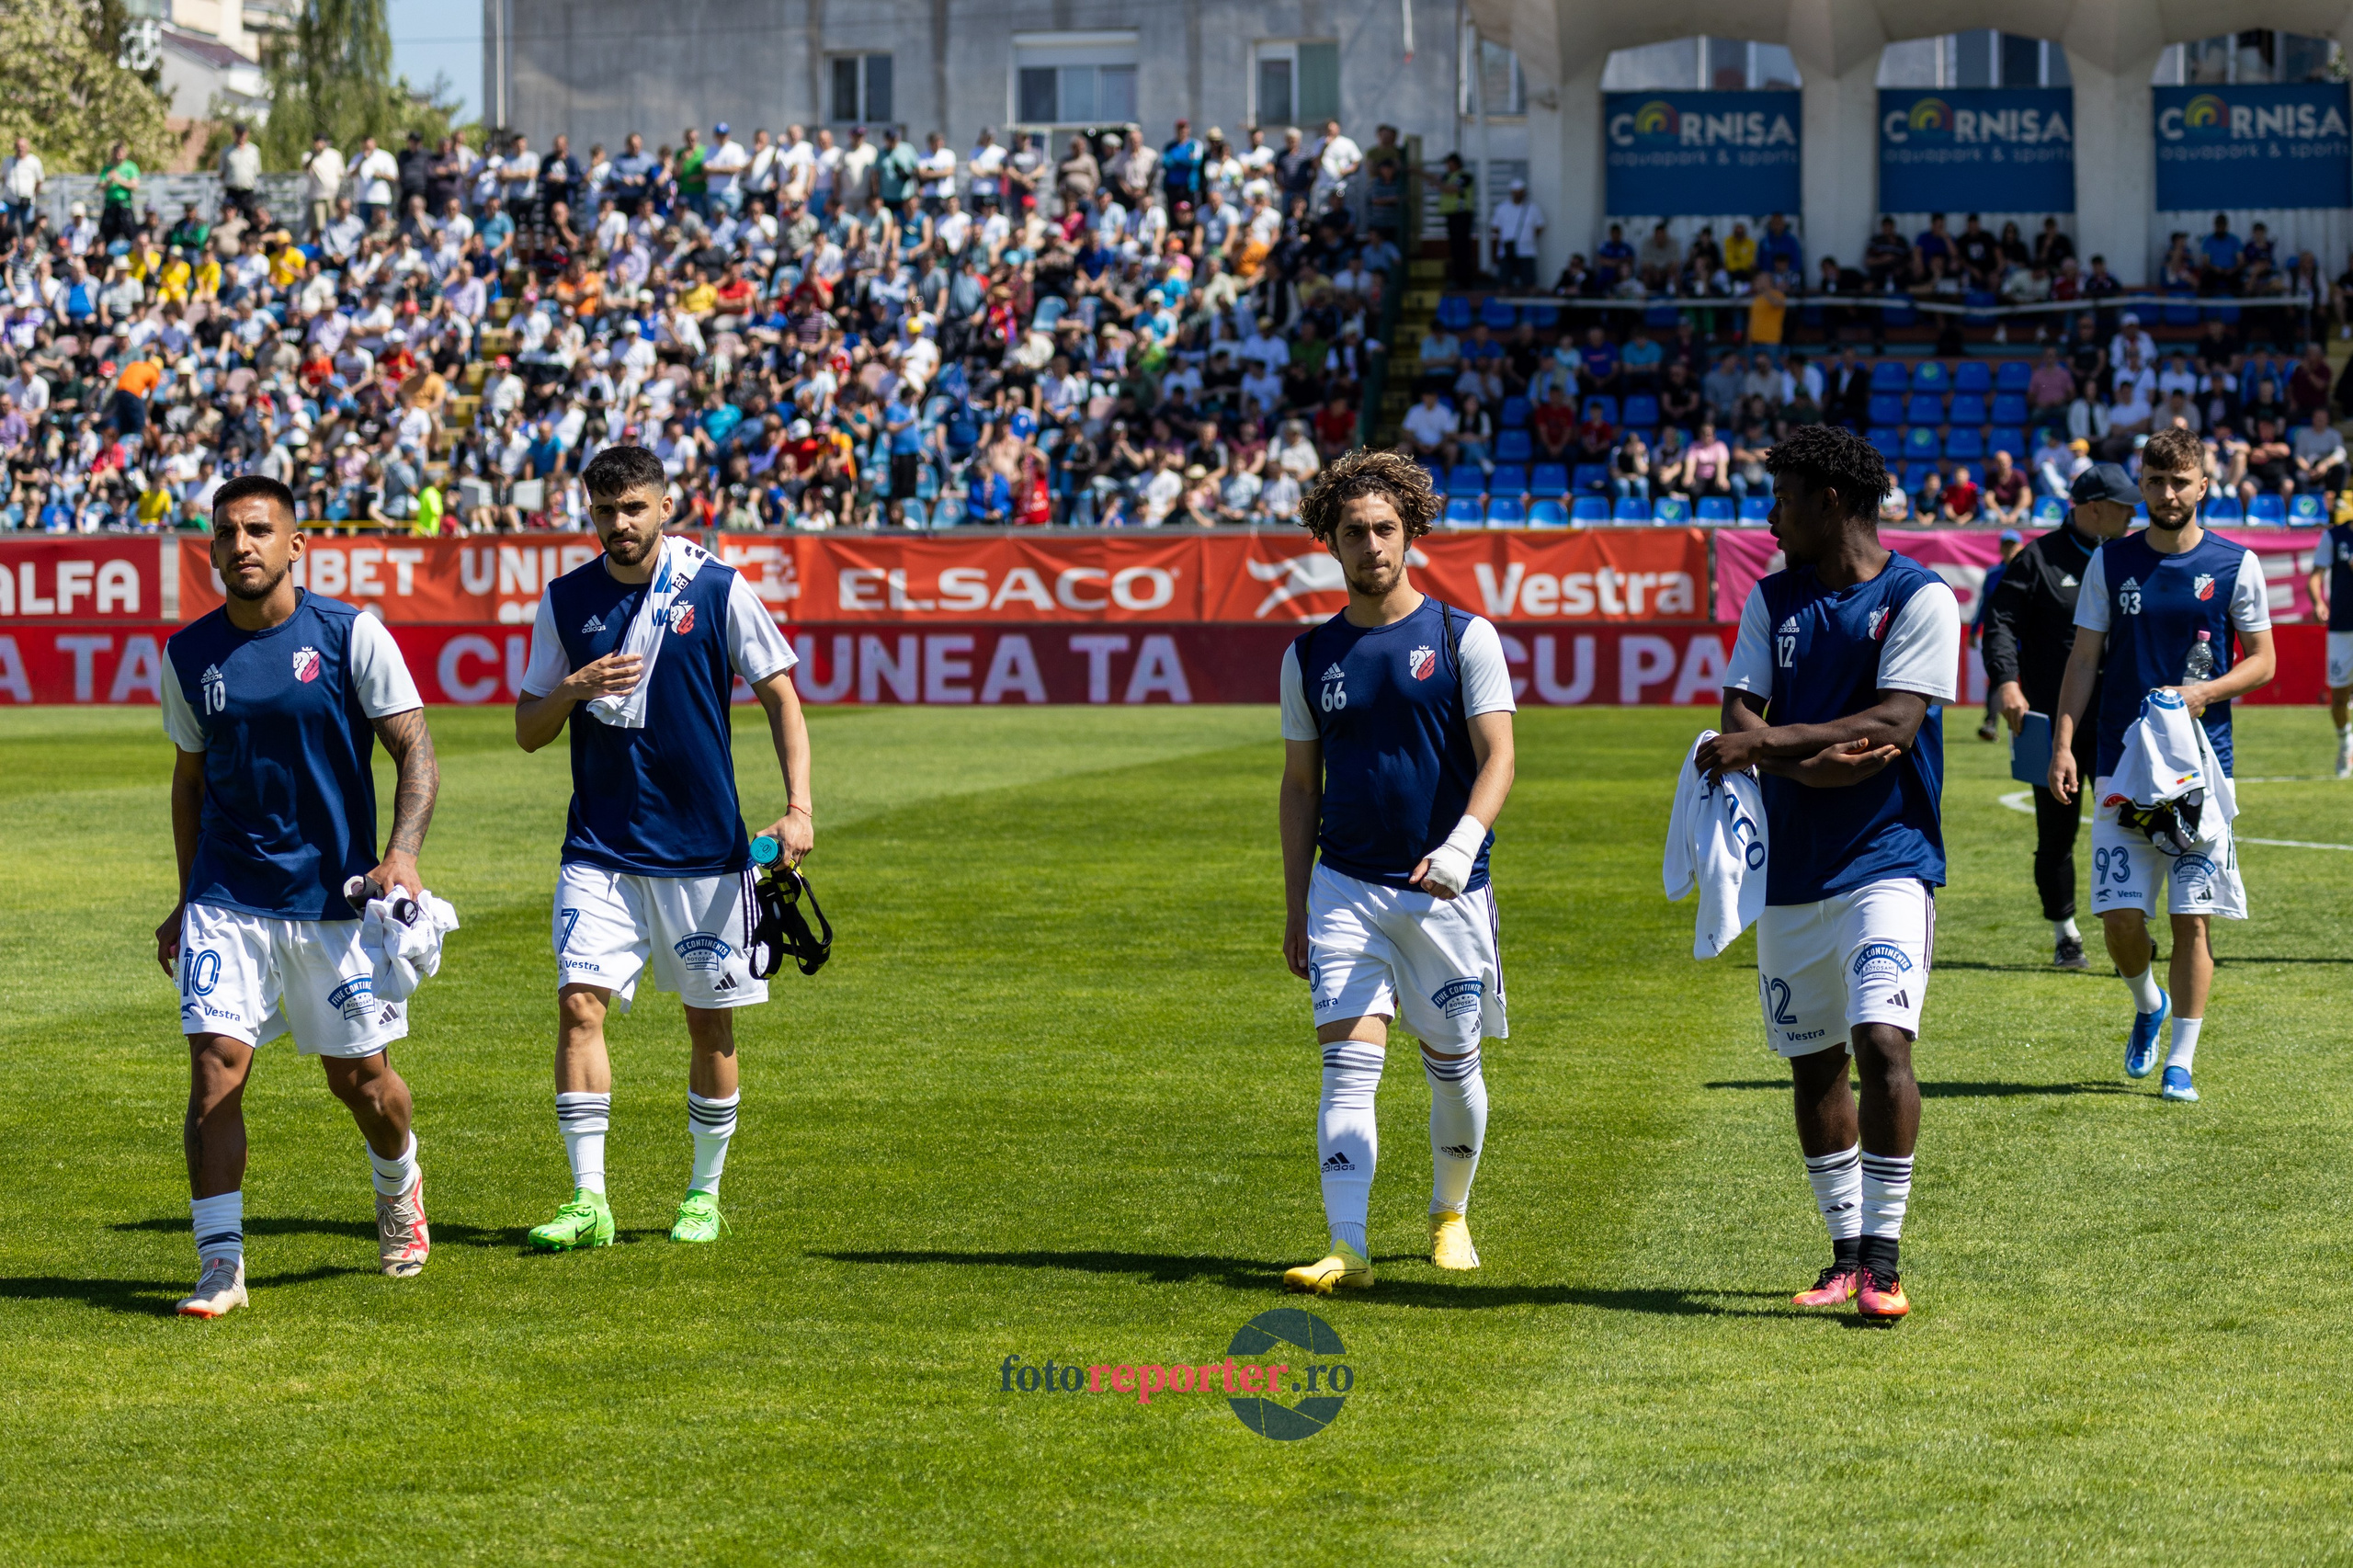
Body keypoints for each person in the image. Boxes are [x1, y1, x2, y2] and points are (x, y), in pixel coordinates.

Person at [513, 445, 813, 1250]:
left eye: (633, 508)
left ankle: (703, 1195)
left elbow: (781, 694)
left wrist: (798, 809)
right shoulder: (565, 599)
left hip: (703, 852)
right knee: (578, 1006)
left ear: (664, 507)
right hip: (599, 847)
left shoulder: (716, 588)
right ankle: (589, 1201)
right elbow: (529, 729)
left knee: (709, 1025)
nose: (619, 524)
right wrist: (574, 688)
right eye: (605, 511)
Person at [157, 475, 443, 1318]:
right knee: (215, 1070)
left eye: (257, 530)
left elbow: (416, 751)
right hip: (228, 896)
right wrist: (186, 897)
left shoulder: (351, 635)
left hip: (334, 902)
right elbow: (189, 779)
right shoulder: (188, 654)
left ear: (296, 544)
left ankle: (399, 1185)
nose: (240, 545)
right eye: (225, 533)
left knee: (362, 1084)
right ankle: (220, 1264)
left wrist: (402, 855)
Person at [1698, 424, 1962, 1324]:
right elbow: (1739, 712)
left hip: (1888, 859)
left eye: (1783, 498)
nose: (1771, 518)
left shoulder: (1920, 597)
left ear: (1831, 498)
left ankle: (1884, 1261)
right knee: (1812, 1065)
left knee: (1882, 1041)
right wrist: (1808, 761)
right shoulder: (1772, 598)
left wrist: (1769, 749)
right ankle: (1844, 1256)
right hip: (1790, 868)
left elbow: (1893, 724)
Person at [1276, 449, 1516, 1294]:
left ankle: (1450, 1214)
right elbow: (1300, 785)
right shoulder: (1309, 655)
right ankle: (1348, 1248)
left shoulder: (1463, 636)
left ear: (1410, 532)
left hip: (1447, 893)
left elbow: (1500, 756)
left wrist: (1460, 846)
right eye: (1354, 532)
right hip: (1345, 889)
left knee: (1453, 1066)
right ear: (1330, 543)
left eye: (1384, 528)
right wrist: (1297, 903)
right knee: (1347, 1067)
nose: (1371, 545)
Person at [2050, 426, 2277, 1105]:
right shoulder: (2110, 561)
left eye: (2181, 482)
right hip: (2124, 768)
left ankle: (2181, 1061)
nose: (2169, 494)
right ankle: (2148, 1002)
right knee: (2119, 919)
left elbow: (2264, 661)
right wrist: (2062, 744)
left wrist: (2205, 692)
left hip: (2202, 772)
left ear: (2204, 485)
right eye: (2156, 482)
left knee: (2191, 919)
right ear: (2142, 487)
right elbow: (2083, 659)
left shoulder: (2236, 564)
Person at [1984, 464, 2141, 968]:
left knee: (2131, 828)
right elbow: (2000, 623)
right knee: (2056, 833)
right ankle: (2065, 933)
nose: (2133, 513)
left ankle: (2128, 929)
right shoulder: (2036, 559)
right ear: (2094, 507)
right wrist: (2007, 681)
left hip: (2121, 725)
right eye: (2123, 505)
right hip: (2051, 725)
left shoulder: (2134, 556)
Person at [2308, 511, 2353, 778]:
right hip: (2342, 627)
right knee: (2339, 696)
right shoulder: (2334, 537)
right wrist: (2318, 602)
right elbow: (2316, 576)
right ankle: (2345, 742)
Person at [1972, 528, 2023, 740]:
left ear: (2021, 547)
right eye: (2006, 545)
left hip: (2026, 635)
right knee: (1998, 678)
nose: (2010, 550)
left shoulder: (2030, 570)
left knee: (2030, 680)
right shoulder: (1993, 574)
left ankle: (2028, 726)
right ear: (2001, 548)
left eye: (2013, 545)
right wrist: (1974, 629)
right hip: (2001, 636)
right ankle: (1990, 724)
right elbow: (1984, 604)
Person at [1490, 180, 1543, 290]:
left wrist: (1528, 239)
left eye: (1520, 192)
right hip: (1507, 249)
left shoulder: (1533, 208)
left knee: (1529, 281)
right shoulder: (1502, 208)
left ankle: (1530, 300)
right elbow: (1495, 227)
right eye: (1516, 192)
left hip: (1528, 250)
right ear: (1511, 192)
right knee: (1504, 281)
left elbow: (1540, 227)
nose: (1518, 195)